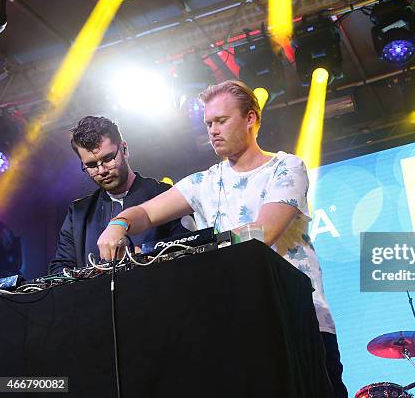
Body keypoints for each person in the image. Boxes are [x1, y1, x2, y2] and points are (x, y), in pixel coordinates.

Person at [97, 80, 348, 398]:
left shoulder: (286, 167)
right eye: (208, 123)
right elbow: (144, 214)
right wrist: (118, 224)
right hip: (234, 326)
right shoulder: (203, 182)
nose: (212, 130)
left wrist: (193, 252)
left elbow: (263, 233)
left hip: (299, 319)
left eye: (221, 121)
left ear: (250, 119)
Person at [48, 116, 189, 275]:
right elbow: (60, 270)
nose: (101, 171)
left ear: (124, 149)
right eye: (91, 165)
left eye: (108, 159)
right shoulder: (78, 213)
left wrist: (146, 260)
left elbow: (190, 250)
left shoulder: (165, 195)